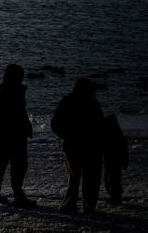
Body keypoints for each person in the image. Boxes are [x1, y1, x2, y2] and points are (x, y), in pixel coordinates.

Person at [50, 78, 104, 214]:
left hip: (74, 144)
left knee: (74, 177)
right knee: (90, 177)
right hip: (87, 144)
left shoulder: (67, 102)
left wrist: (67, 135)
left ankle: (70, 204)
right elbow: (99, 124)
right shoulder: (92, 103)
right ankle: (87, 206)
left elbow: (55, 123)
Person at [0, 64, 36, 207]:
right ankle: (16, 195)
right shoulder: (11, 92)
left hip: (5, 134)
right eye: (20, 75)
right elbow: (17, 114)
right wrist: (22, 128)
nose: (22, 78)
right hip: (13, 134)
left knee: (3, 164)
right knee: (17, 165)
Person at [102, 113, 129, 205]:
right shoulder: (117, 134)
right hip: (114, 161)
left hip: (112, 161)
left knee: (112, 179)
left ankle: (116, 197)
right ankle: (115, 196)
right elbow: (124, 149)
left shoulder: (110, 135)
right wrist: (125, 161)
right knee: (113, 179)